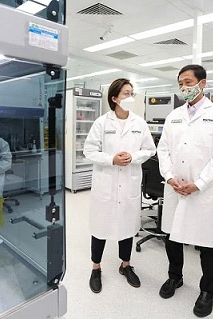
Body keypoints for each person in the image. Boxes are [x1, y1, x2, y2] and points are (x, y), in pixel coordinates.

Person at [157, 64, 213, 317]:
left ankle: (208, 289)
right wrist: (169, 178)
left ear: (203, 83)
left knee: (207, 242)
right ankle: (175, 277)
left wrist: (198, 183)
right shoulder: (174, 116)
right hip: (175, 188)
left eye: (188, 82)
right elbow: (163, 150)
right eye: (180, 83)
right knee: (172, 236)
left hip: (204, 191)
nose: (183, 87)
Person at [83, 78, 156, 293]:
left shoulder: (139, 124)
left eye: (132, 93)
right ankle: (96, 268)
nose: (130, 97)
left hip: (129, 183)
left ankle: (126, 265)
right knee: (100, 227)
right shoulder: (102, 123)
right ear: (114, 98)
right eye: (126, 93)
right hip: (106, 183)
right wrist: (111, 159)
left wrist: (132, 156)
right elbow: (89, 150)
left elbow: (149, 150)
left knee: (126, 227)